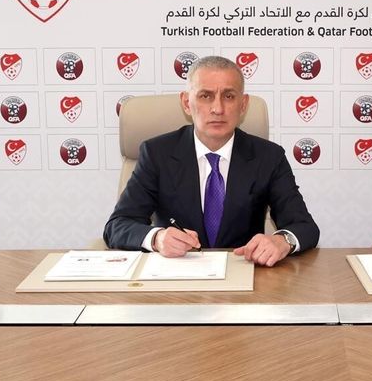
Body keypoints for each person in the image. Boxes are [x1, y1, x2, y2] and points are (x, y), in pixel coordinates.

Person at [104, 56, 319, 266]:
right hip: (177, 274)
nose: (218, 109)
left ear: (243, 104)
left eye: (229, 96)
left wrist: (283, 241)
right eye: (205, 96)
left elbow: (304, 226)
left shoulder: (268, 157)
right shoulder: (157, 154)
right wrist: (157, 238)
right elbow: (118, 225)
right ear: (186, 103)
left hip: (243, 274)